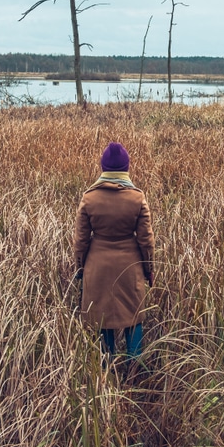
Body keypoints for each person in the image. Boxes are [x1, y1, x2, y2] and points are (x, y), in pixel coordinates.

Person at [73, 141, 155, 358]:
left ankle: (106, 372)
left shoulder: (89, 198)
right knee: (134, 317)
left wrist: (80, 269)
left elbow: (80, 241)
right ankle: (136, 370)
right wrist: (149, 269)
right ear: (126, 168)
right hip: (130, 267)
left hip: (97, 267)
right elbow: (146, 241)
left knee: (102, 319)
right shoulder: (137, 198)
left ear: (103, 168)